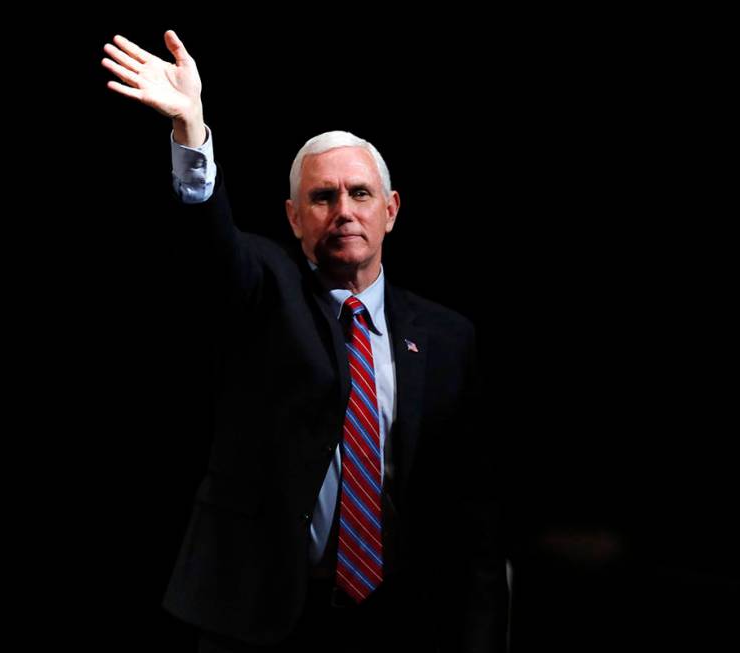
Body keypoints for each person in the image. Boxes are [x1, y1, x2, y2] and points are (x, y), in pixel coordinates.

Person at [102, 30, 506, 652]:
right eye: (322, 197)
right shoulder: (267, 289)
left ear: (391, 210)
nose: (343, 209)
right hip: (268, 618)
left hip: (405, 618)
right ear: (294, 217)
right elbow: (211, 249)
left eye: (360, 193)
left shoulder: (450, 337)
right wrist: (191, 129)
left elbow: (473, 511)